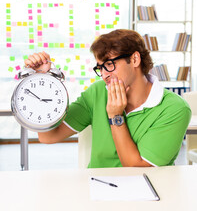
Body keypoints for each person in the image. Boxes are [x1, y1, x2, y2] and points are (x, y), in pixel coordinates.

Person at [25, 29, 191, 168]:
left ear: (134, 59)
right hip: (97, 190)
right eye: (100, 68)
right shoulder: (98, 92)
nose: (104, 74)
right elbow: (48, 137)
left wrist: (116, 116)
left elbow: (136, 168)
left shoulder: (175, 109)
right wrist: (44, 81)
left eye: (109, 64)